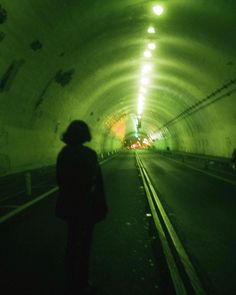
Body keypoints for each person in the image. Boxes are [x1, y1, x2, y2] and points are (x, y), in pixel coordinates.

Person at [55, 120, 108, 294]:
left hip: (70, 207)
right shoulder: (89, 154)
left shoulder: (63, 154)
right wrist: (101, 206)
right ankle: (83, 282)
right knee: (84, 245)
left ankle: (70, 281)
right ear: (86, 135)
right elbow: (96, 183)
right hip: (86, 207)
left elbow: (60, 181)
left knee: (71, 243)